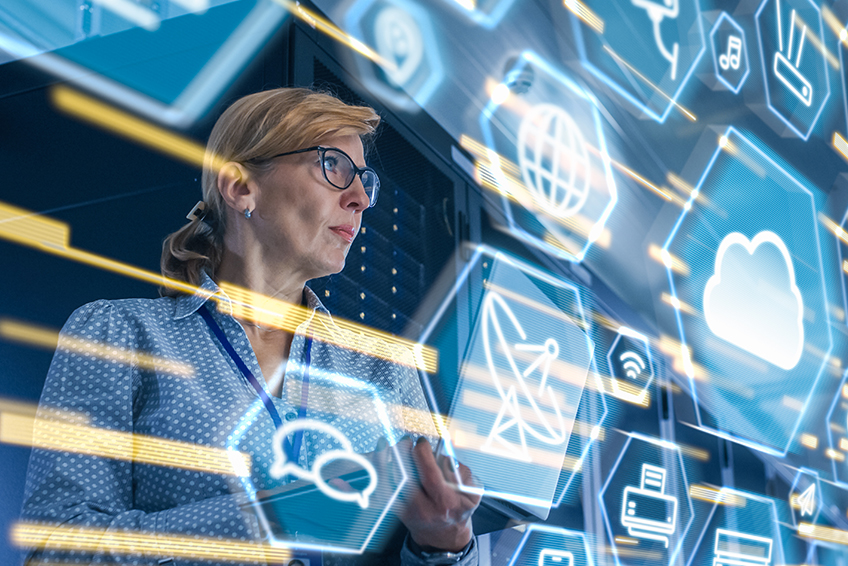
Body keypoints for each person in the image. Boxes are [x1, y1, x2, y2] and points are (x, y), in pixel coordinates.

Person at [20, 87, 480, 565]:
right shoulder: (119, 334)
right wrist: (281, 515)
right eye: (334, 167)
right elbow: (56, 552)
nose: (361, 198)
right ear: (240, 186)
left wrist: (445, 543)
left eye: (365, 179)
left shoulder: (386, 369)